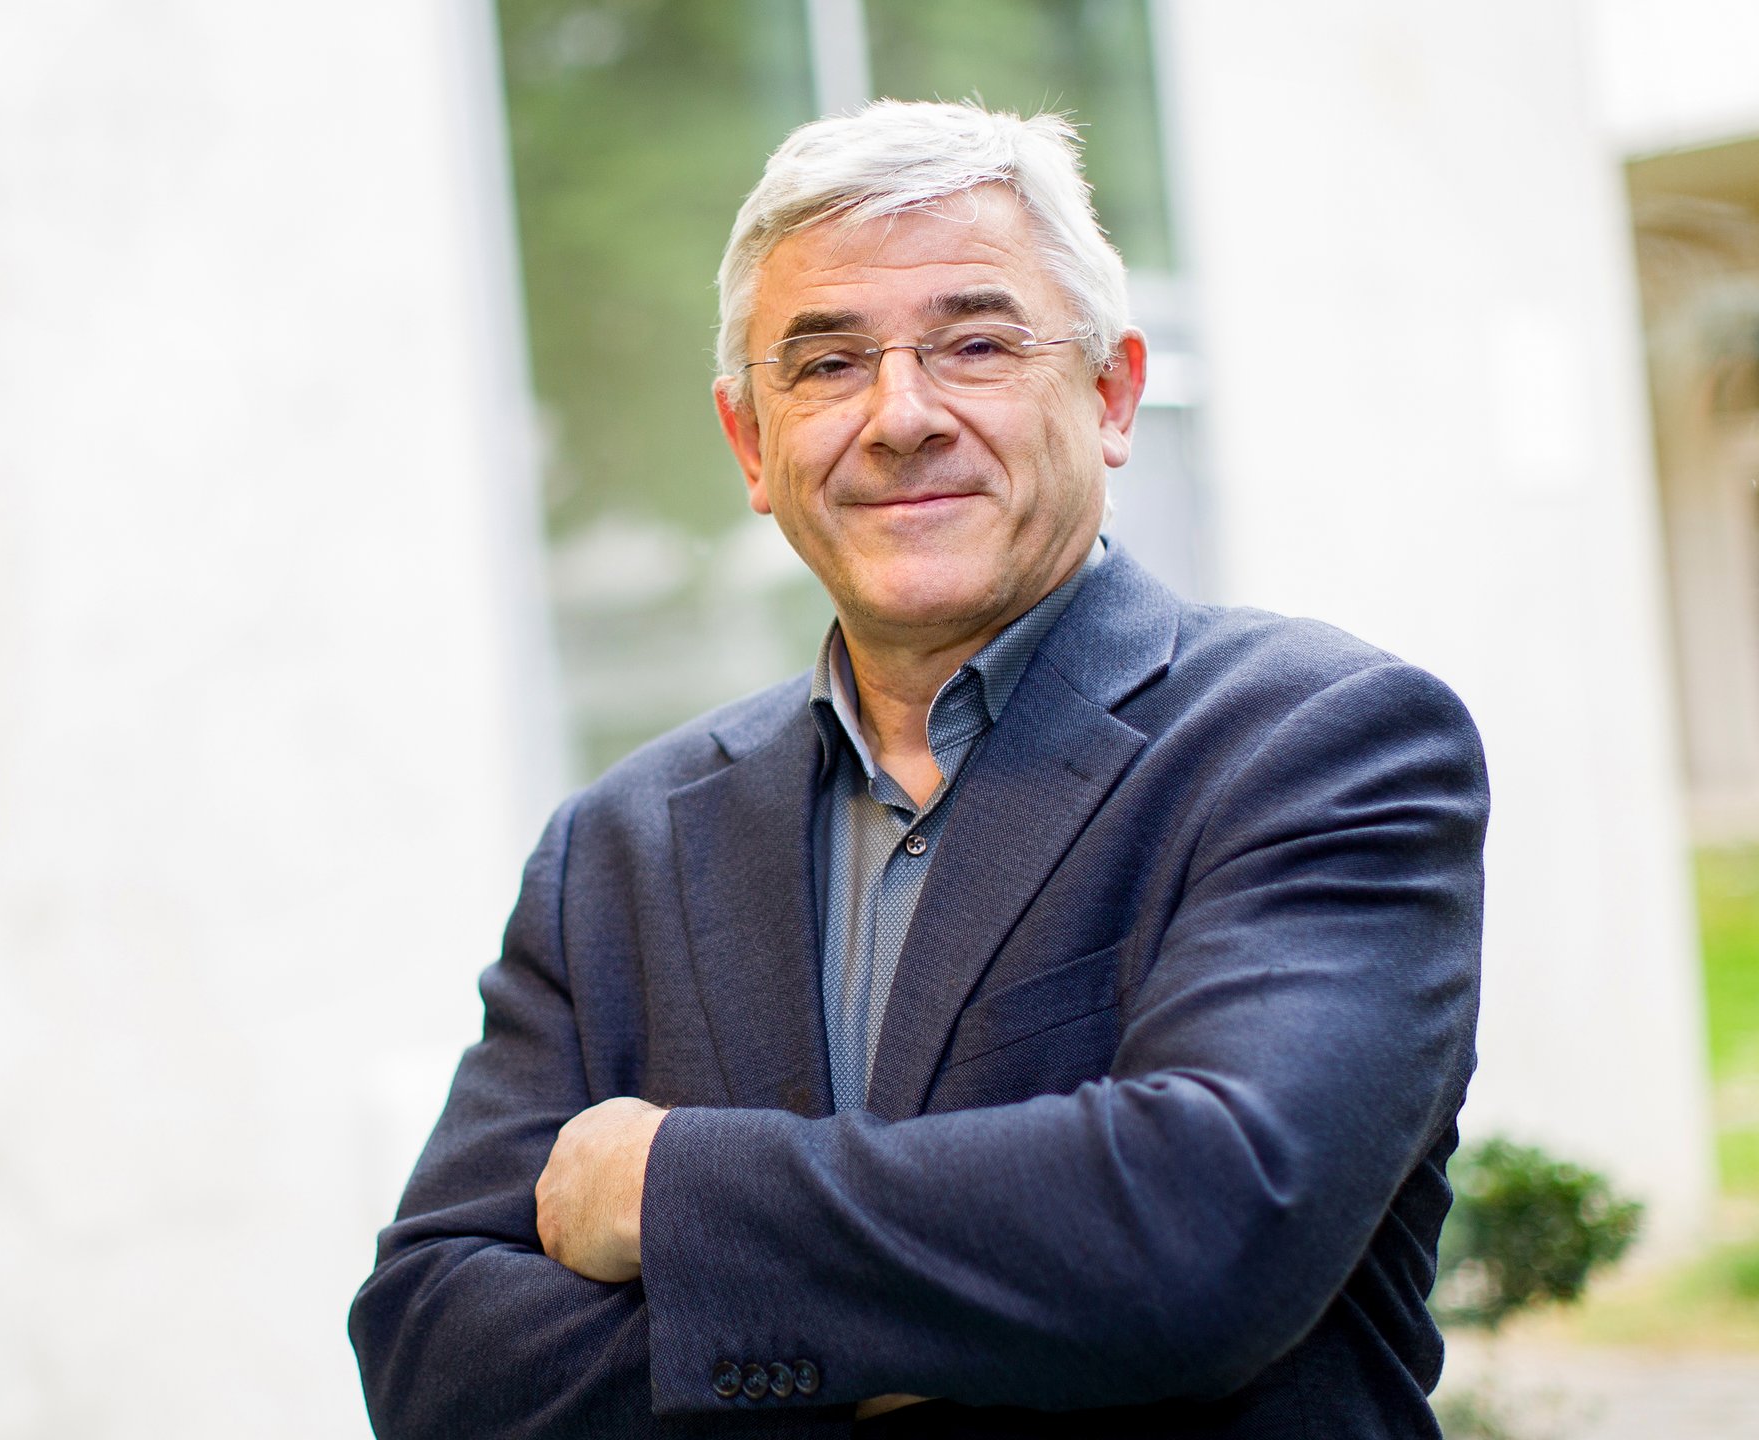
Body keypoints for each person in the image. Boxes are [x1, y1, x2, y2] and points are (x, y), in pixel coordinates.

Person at [349, 99, 1487, 1439]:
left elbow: (1204, 1230)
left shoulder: (1320, 746)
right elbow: (434, 1358)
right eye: (827, 363)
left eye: (976, 345)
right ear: (750, 443)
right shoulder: (622, 845)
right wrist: (956, 1332)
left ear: (1112, 394)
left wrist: (665, 1190)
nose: (901, 416)